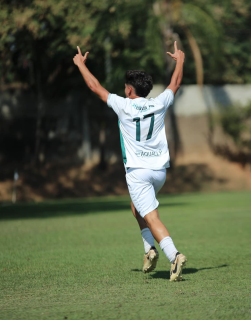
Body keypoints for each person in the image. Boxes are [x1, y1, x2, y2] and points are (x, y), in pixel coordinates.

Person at [73, 42, 187, 281]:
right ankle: (149, 250)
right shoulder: (159, 103)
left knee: (151, 216)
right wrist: (180, 61)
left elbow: (95, 87)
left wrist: (81, 65)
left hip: (138, 172)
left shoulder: (123, 106)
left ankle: (174, 255)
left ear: (128, 90)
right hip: (159, 172)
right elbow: (175, 84)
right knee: (136, 208)